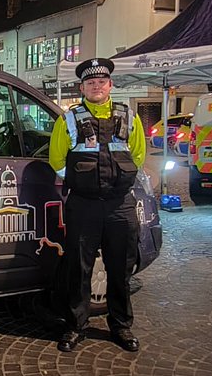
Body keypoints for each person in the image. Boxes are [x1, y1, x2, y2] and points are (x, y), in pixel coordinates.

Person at [48, 57, 146, 353]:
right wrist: (83, 184)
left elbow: (138, 156)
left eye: (101, 82)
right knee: (79, 269)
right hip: (84, 205)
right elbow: (57, 160)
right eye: (90, 83)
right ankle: (76, 326)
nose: (96, 87)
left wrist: (114, 182)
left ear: (110, 85)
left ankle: (121, 326)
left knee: (121, 268)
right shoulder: (68, 119)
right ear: (82, 87)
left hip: (119, 205)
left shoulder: (129, 116)